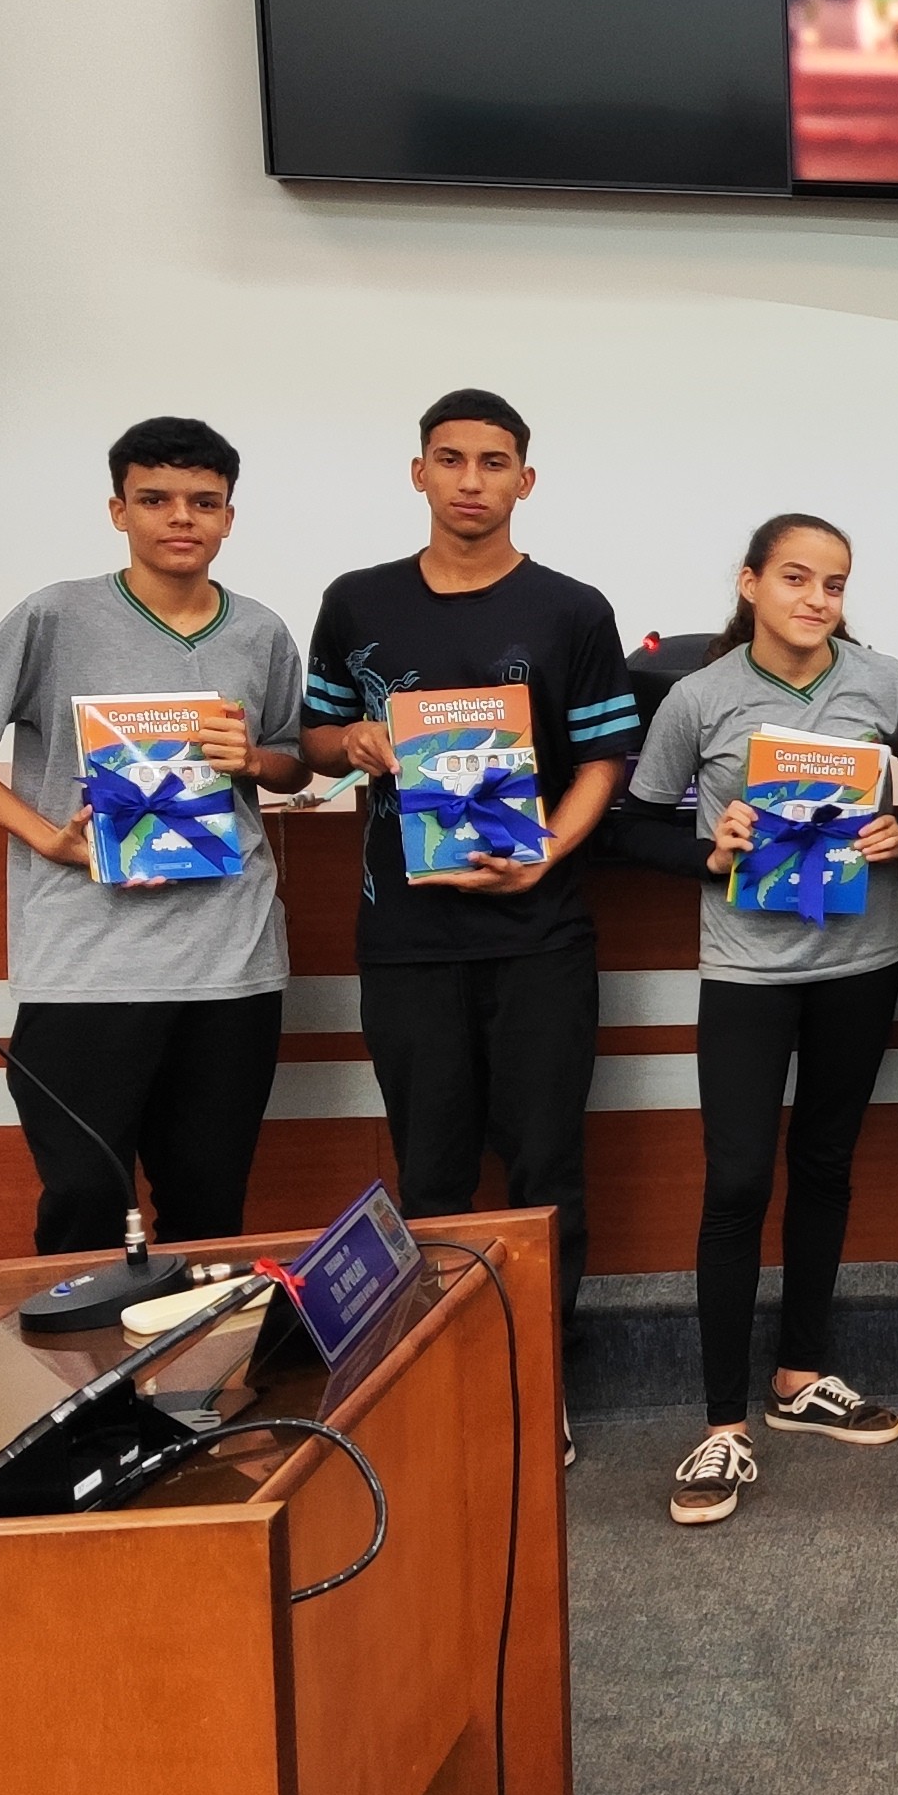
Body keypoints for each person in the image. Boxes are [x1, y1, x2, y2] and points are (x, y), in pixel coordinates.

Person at [294, 391, 638, 1381]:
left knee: (545, 1170)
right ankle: (443, 1375)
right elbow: (313, 738)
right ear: (419, 474)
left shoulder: (572, 609)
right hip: (403, 937)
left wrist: (548, 852)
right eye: (451, 460)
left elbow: (604, 761)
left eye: (494, 463)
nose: (471, 481)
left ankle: (539, 1373)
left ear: (525, 480)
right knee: (431, 1170)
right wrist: (352, 740)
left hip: (540, 933)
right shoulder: (358, 599)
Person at [0, 415, 309, 1255]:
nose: (181, 518)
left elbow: (290, 765)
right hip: (87, 963)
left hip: (228, 963)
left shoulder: (261, 631)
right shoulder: (54, 616)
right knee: (85, 1202)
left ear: (230, 517)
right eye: (155, 499)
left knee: (207, 1210)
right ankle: (91, 1384)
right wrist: (45, 836)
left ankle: (198, 1385)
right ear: (117, 509)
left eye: (204, 502)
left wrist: (256, 760)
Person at [623, 514, 898, 1529]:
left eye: (834, 583)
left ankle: (800, 1378)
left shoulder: (888, 686)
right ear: (750, 582)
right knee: (739, 1177)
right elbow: (634, 824)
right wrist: (713, 847)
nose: (815, 599)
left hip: (862, 961)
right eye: (795, 578)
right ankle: (721, 1424)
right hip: (748, 969)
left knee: (827, 1163)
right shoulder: (696, 697)